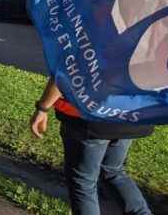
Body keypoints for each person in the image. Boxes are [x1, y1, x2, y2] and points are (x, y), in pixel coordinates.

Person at [30, 79, 153, 215]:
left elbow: (64, 74)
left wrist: (42, 108)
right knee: (113, 172)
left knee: (83, 181)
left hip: (89, 119)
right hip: (130, 115)